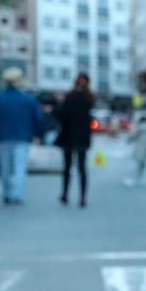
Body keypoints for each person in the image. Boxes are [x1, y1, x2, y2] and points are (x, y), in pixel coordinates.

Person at [0, 67, 46, 206]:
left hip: (2, 137)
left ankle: (6, 193)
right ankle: (16, 195)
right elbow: (37, 119)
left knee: (4, 167)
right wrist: (37, 134)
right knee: (20, 167)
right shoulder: (28, 99)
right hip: (23, 137)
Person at [54, 72, 95, 207]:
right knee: (80, 167)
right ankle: (81, 197)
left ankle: (67, 194)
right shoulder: (88, 97)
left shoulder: (71, 96)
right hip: (80, 136)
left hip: (70, 135)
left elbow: (61, 114)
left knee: (69, 167)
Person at [124, 110, 146, 186]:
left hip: (139, 148)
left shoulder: (139, 128)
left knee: (138, 164)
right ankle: (136, 177)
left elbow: (132, 136)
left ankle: (133, 177)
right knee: (142, 164)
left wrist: (129, 140)